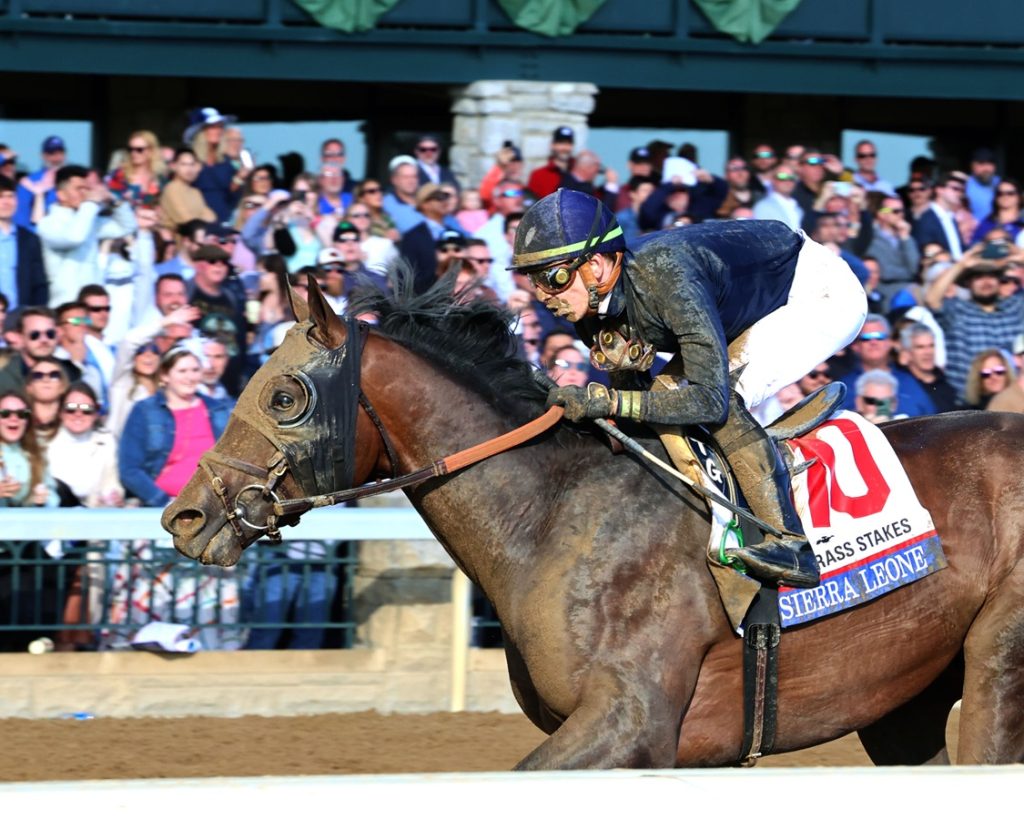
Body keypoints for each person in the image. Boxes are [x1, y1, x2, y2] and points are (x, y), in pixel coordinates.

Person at [510, 189, 868, 588]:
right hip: (750, 299)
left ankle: (790, 543)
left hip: (817, 293)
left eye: (553, 278)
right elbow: (639, 406)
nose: (544, 297)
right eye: (534, 281)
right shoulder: (588, 304)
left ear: (595, 264)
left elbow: (708, 400)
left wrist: (608, 401)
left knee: (722, 399)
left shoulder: (667, 274)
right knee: (662, 398)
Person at [118, 346, 232, 507]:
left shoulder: (220, 410)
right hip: (161, 506)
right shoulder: (145, 411)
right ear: (165, 375)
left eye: (195, 370)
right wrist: (164, 502)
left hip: (212, 506)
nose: (190, 377)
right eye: (182, 371)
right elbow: (130, 470)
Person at [37, 165, 137, 307]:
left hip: (92, 307)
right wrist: (91, 204)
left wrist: (115, 201)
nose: (85, 194)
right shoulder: (48, 224)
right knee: (76, 325)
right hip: (66, 310)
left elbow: (127, 227)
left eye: (87, 188)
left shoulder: (88, 219)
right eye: (79, 189)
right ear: (61, 195)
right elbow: (75, 238)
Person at [0, 175, 48, 311]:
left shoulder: (29, 239)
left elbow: (39, 284)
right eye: (1, 197)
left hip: (20, 317)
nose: (6, 202)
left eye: (10, 196)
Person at [106, 130, 166, 208]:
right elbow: (111, 206)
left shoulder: (161, 179)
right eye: (130, 149)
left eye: (139, 149)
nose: (133, 153)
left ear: (151, 150)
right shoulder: (118, 176)